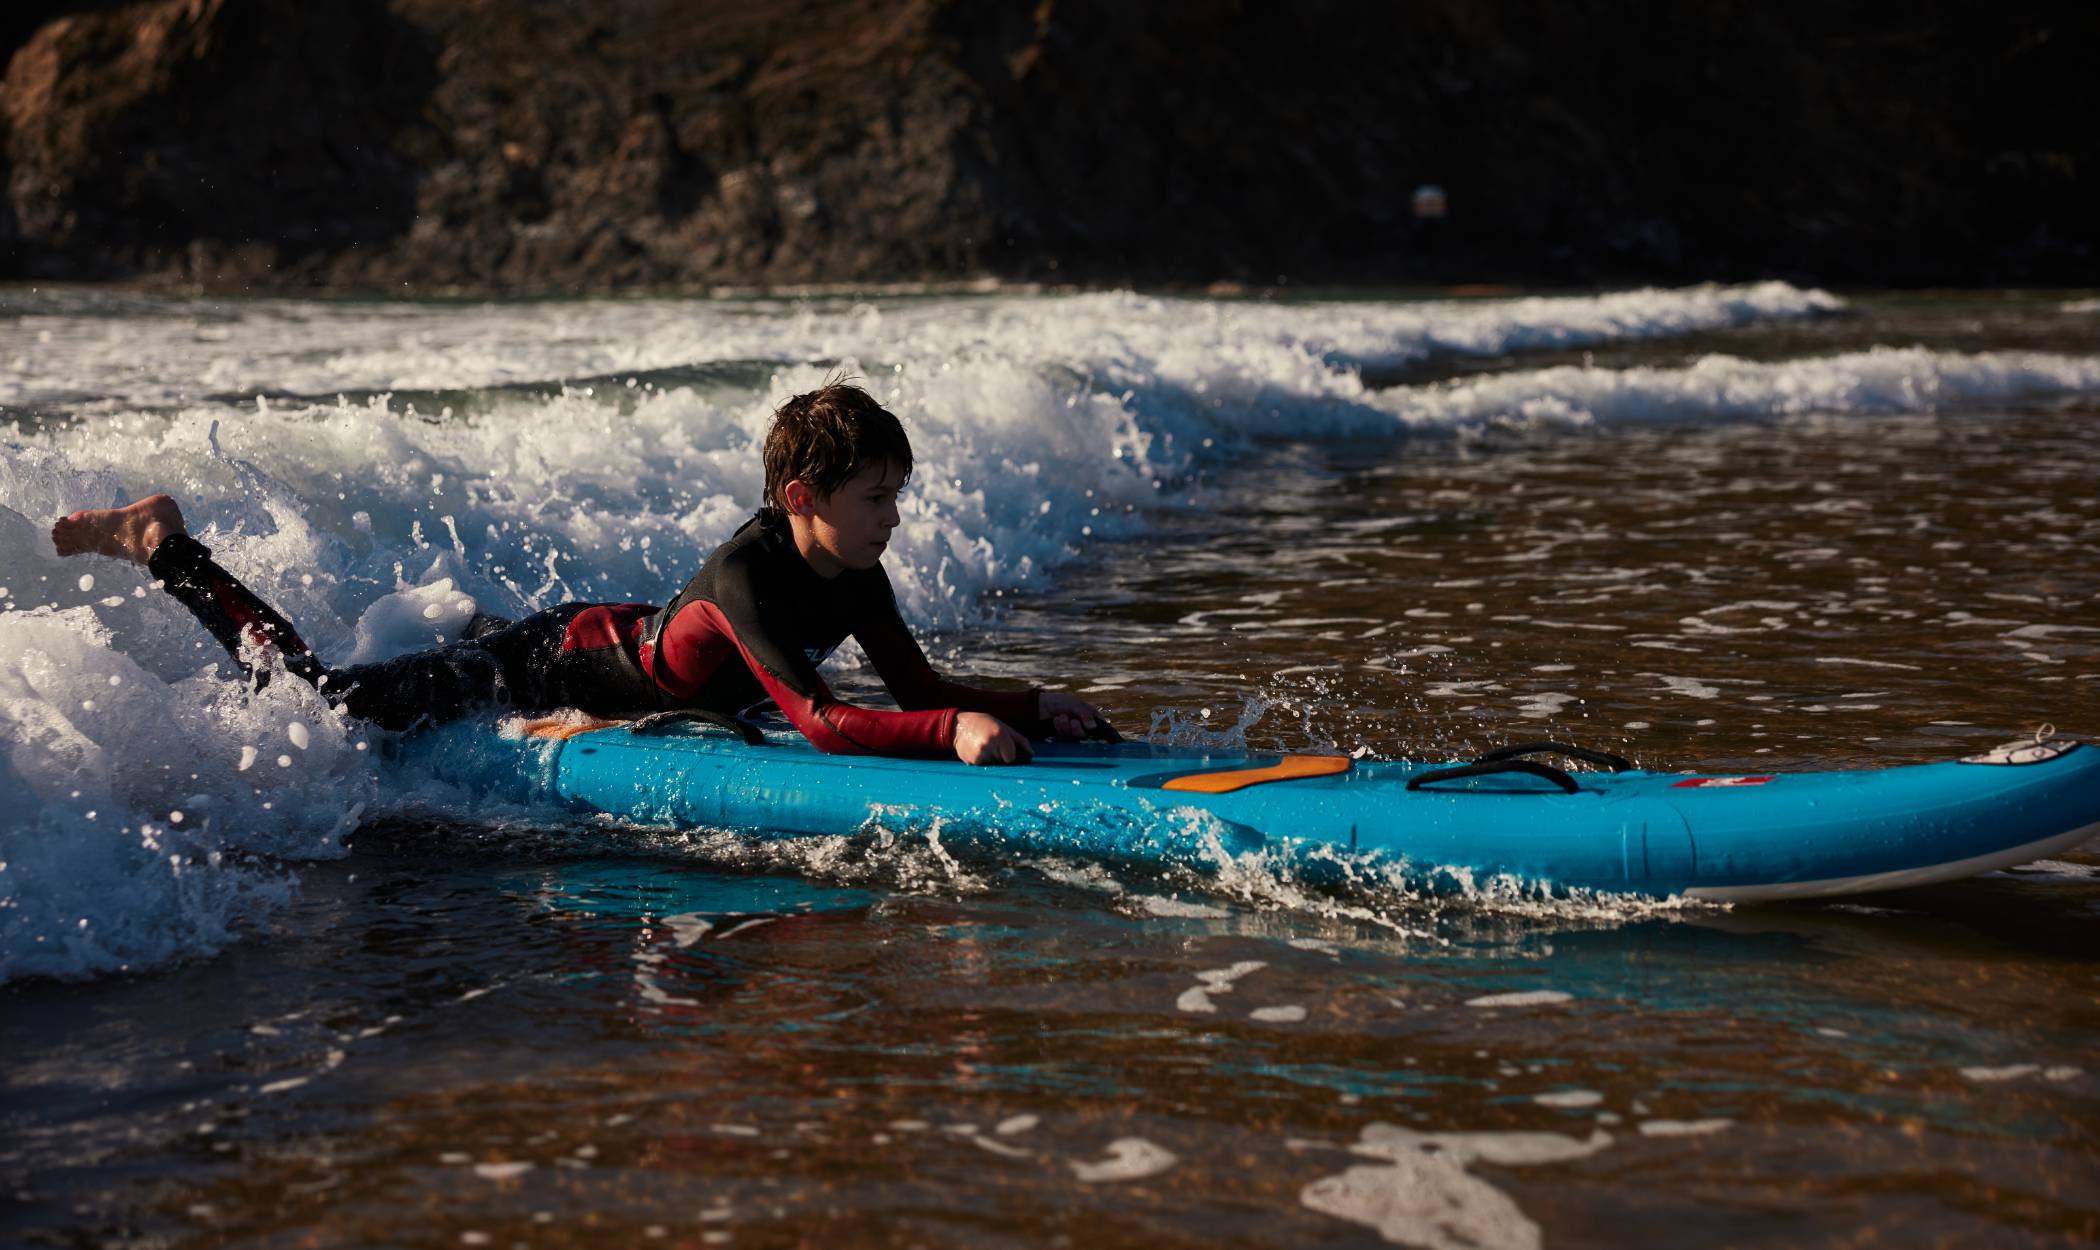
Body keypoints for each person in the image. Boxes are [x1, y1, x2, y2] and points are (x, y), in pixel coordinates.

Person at [49, 382, 1103, 765]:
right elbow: (823, 721)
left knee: (456, 652)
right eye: (877, 494)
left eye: (895, 492)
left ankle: (466, 616)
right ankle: (162, 544)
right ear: (805, 498)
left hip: (627, 642)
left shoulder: (854, 567)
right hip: (548, 664)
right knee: (317, 698)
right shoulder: (747, 573)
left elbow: (915, 691)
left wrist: (1023, 703)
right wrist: (956, 734)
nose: (896, 514)